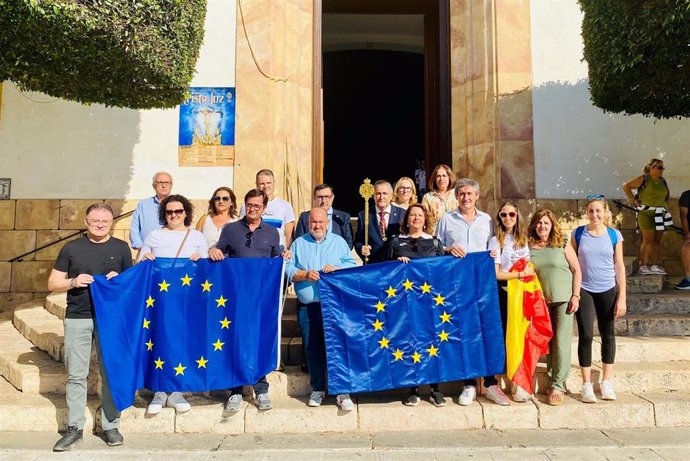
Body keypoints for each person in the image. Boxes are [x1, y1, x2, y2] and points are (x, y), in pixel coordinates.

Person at [48, 203, 133, 451]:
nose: (100, 225)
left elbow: (130, 285)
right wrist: (73, 281)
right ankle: (74, 427)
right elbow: (53, 282)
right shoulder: (71, 248)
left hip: (111, 320)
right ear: (86, 222)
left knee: (110, 373)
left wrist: (119, 280)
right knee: (76, 374)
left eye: (105, 221)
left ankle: (110, 425)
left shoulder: (120, 248)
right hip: (77, 317)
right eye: (95, 221)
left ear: (111, 222)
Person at [436, 178, 509, 406]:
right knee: (464, 331)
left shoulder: (487, 220)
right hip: (457, 284)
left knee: (487, 330)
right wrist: (448, 249)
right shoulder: (446, 219)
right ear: (456, 196)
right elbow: (436, 248)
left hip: (483, 283)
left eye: (469, 194)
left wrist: (495, 254)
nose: (465, 197)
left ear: (477, 196)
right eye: (462, 194)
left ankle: (490, 384)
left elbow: (495, 244)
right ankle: (468, 384)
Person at [210, 189, 284, 412]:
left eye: (257, 206)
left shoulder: (272, 233)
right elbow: (218, 251)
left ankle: (261, 390)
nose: (252, 209)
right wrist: (213, 250)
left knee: (259, 341)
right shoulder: (231, 229)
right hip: (235, 297)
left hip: (261, 299)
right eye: (249, 205)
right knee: (236, 340)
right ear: (244, 205)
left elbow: (275, 263)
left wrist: (283, 258)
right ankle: (235, 391)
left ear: (264, 208)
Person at [139, 194, 209, 415]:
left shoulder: (197, 236)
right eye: (169, 212)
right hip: (160, 301)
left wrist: (201, 260)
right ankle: (160, 390)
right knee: (160, 339)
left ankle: (177, 390)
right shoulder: (154, 236)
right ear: (164, 214)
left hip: (187, 301)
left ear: (186, 213)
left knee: (181, 341)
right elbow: (141, 264)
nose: (174, 215)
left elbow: (208, 271)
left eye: (178, 211)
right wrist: (146, 257)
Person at [286, 207, 357, 410]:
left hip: (334, 306)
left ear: (327, 223)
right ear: (309, 223)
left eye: (320, 222)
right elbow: (288, 269)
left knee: (337, 347)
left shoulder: (339, 242)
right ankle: (318, 388)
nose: (317, 226)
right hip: (308, 306)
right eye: (313, 223)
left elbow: (351, 265)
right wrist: (304, 274)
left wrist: (337, 269)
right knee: (312, 348)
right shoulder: (299, 244)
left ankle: (342, 392)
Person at [385, 204, 445, 407]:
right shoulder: (395, 241)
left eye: (420, 215)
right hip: (404, 302)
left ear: (425, 219)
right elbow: (384, 271)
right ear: (407, 219)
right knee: (409, 343)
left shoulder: (435, 243)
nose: (416, 218)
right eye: (413, 215)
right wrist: (396, 262)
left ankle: (435, 389)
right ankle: (413, 388)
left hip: (428, 303)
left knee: (431, 344)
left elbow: (441, 271)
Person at [571, 195, 626, 403]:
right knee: (585, 335)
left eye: (598, 211)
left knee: (608, 335)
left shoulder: (614, 235)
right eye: (591, 211)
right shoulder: (578, 234)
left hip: (607, 289)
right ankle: (586, 385)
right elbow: (573, 264)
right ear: (587, 212)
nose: (595, 214)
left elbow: (619, 266)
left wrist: (622, 297)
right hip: (585, 289)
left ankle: (606, 381)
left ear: (605, 212)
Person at [528, 209, 582, 406]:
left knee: (560, 341)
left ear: (552, 226)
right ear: (534, 225)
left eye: (546, 223)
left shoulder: (563, 243)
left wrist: (576, 295)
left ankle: (557, 385)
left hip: (563, 300)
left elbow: (577, 270)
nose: (543, 226)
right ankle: (551, 378)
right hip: (540, 302)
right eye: (539, 223)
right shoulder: (528, 246)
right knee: (546, 341)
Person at [487, 201, 534, 403]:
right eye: (503, 215)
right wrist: (521, 273)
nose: (507, 218)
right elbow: (496, 274)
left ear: (517, 216)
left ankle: (518, 381)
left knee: (519, 337)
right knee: (503, 337)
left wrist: (524, 275)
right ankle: (497, 382)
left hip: (521, 294)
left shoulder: (523, 239)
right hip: (502, 293)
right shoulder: (495, 241)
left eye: (511, 214)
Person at [622, 158, 671, 275]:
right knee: (648, 240)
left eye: (662, 168)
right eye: (659, 167)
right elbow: (626, 186)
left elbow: (666, 196)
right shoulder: (644, 179)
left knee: (657, 241)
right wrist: (632, 199)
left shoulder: (662, 181)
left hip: (660, 213)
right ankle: (643, 266)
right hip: (646, 214)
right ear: (651, 167)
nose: (661, 170)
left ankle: (654, 265)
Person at [240, 169, 295, 251]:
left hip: (276, 254)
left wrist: (287, 251)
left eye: (269, 183)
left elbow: (289, 235)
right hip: (253, 252)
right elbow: (242, 229)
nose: (265, 186)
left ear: (274, 183)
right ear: (256, 184)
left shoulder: (285, 206)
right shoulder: (247, 206)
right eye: (262, 183)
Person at [354, 180, 405, 263]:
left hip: (395, 263)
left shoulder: (402, 214)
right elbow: (358, 241)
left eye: (385, 193)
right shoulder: (364, 215)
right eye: (378, 193)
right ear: (373, 196)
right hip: (373, 264)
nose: (381, 197)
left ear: (391, 195)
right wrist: (361, 248)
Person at [295, 183, 353, 249]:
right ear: (314, 198)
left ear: (332, 197)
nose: (324, 201)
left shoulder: (343, 218)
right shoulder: (305, 217)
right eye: (320, 197)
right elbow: (299, 242)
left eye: (327, 197)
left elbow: (348, 245)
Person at [130, 172, 173, 250]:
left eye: (167, 183)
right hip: (146, 251)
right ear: (154, 186)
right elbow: (134, 227)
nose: (164, 186)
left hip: (171, 251)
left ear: (171, 185)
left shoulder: (178, 204)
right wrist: (139, 246)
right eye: (160, 182)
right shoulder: (143, 204)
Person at [421, 164, 458, 233]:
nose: (441, 179)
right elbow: (424, 220)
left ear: (449, 177)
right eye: (438, 176)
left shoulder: (457, 195)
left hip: (455, 236)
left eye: (444, 176)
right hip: (435, 237)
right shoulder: (428, 197)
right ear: (434, 179)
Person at [675, 189, 690, 290]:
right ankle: (688, 280)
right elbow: (683, 216)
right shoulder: (687, 195)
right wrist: (687, 233)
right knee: (686, 250)